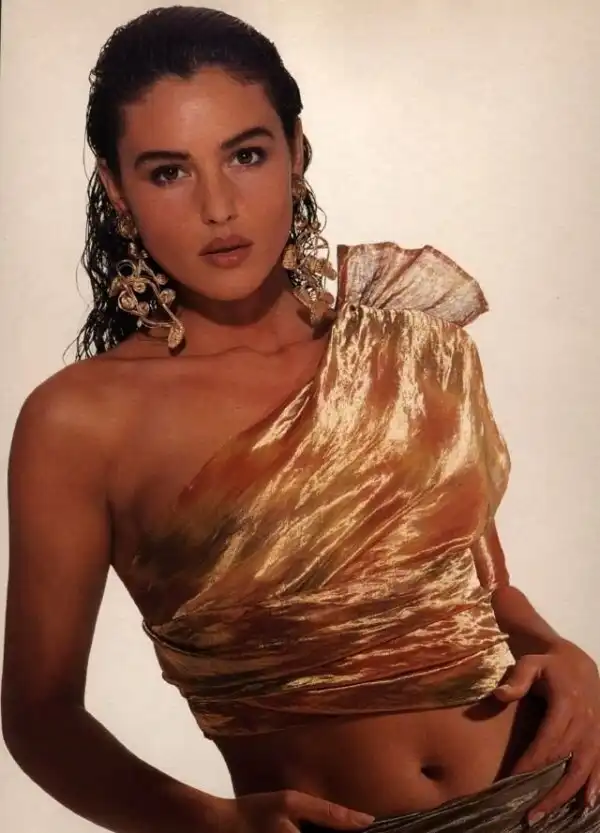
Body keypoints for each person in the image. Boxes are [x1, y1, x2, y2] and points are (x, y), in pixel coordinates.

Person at [2, 6, 600, 833]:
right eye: (169, 172)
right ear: (118, 192)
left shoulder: (410, 341)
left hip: (561, 802)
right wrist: (208, 821)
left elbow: (481, 586)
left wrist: (562, 652)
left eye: (246, 155)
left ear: (296, 149)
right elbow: (39, 714)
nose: (219, 205)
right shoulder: (78, 421)